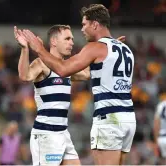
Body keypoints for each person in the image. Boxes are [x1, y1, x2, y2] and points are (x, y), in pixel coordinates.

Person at [21, 4, 136, 165]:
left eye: (84, 24)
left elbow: (63, 69)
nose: (81, 30)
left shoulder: (95, 47)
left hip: (109, 119)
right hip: (128, 119)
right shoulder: (125, 49)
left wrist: (39, 48)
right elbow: (92, 71)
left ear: (95, 24)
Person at [15, 25, 90, 166]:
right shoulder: (41, 63)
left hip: (63, 133)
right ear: (54, 41)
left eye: (72, 39)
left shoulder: (66, 68)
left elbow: (86, 74)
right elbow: (24, 76)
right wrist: (24, 49)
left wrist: (101, 49)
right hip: (46, 134)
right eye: (67, 38)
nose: (71, 42)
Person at [153, 99, 166, 164]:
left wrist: (156, 141)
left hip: (162, 138)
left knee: (163, 161)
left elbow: (156, 125)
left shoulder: (161, 105)